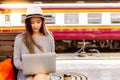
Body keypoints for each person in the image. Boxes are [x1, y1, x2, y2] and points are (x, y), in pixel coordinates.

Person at [13, 6, 55, 80]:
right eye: (32, 22)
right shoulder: (20, 38)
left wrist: (40, 70)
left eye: (38, 22)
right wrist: (31, 68)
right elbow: (16, 61)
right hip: (24, 73)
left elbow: (51, 60)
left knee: (39, 77)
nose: (35, 25)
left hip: (43, 73)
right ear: (28, 23)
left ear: (42, 22)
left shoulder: (49, 38)